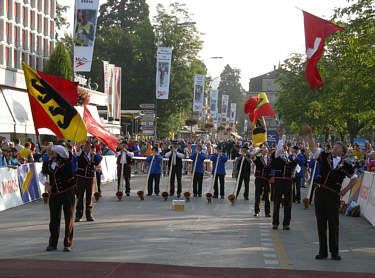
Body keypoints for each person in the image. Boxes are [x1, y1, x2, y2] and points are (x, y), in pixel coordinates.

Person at [304, 125, 358, 261]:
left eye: (338, 147)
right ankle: (322, 252)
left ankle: (335, 252)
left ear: (343, 152)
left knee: (333, 224)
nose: (335, 148)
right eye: (335, 146)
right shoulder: (324, 156)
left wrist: (345, 190)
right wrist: (310, 135)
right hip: (321, 192)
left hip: (333, 195)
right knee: (321, 223)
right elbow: (313, 148)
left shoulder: (346, 165)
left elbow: (355, 178)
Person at [39, 145, 76, 252]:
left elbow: (62, 150)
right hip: (55, 193)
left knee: (68, 218)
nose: (49, 153)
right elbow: (41, 175)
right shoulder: (48, 163)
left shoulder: (65, 158)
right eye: (48, 152)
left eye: (51, 152)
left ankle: (67, 243)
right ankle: (52, 243)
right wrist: (46, 183)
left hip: (67, 191)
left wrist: (49, 146)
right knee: (54, 219)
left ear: (56, 152)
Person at [271, 129, 298, 230]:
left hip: (288, 182)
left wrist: (295, 170)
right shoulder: (277, 156)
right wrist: (281, 138)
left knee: (288, 203)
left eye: (286, 147)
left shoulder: (291, 158)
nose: (284, 148)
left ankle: (286, 223)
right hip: (278, 181)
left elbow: (298, 165)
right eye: (283, 147)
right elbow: (278, 150)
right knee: (277, 202)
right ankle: (275, 223)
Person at [75, 142, 101, 222]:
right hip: (81, 178)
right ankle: (78, 216)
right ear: (83, 147)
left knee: (89, 197)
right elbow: (77, 151)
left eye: (88, 146)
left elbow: (99, 166)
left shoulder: (94, 156)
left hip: (90, 178)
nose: (87, 148)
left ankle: (89, 215)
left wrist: (96, 168)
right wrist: (78, 146)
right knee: (80, 197)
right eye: (85, 146)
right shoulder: (80, 154)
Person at [251, 144, 272, 216]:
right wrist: (258, 151)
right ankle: (256, 211)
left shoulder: (270, 159)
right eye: (263, 149)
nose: (264, 150)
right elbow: (252, 157)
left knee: (267, 196)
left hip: (267, 179)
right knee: (258, 195)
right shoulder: (258, 157)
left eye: (265, 149)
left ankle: (267, 212)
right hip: (259, 178)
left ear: (267, 151)